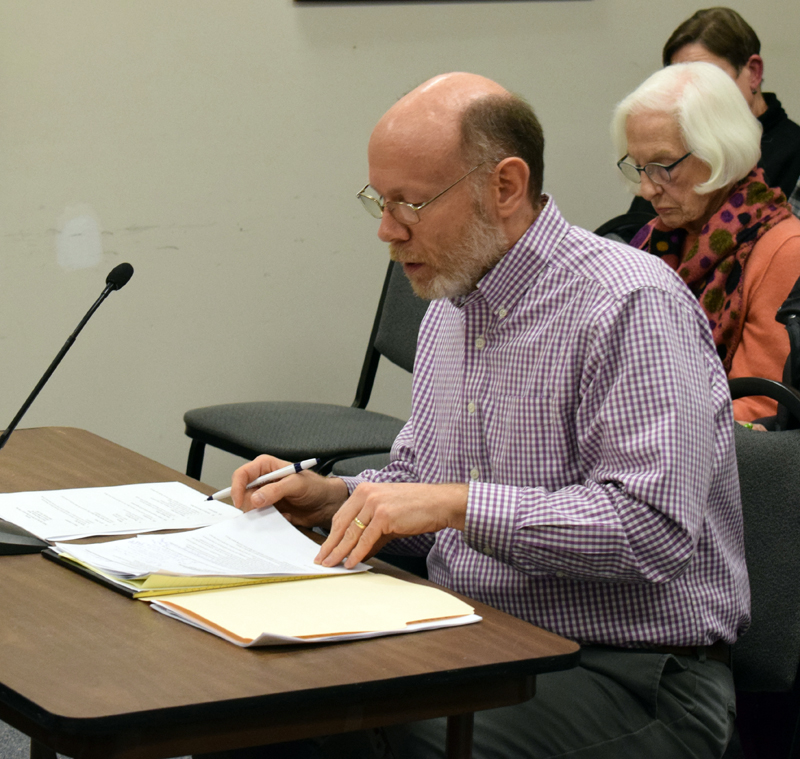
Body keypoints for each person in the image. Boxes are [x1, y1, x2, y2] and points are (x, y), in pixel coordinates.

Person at [224, 73, 749, 758]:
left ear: (504, 186)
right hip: (475, 634)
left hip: (630, 670)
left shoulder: (628, 305)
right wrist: (337, 498)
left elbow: (650, 531)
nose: (387, 230)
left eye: (410, 203)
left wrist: (459, 505)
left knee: (395, 740)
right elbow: (423, 482)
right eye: (379, 203)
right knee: (256, 709)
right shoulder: (453, 300)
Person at [613, 61, 800, 422]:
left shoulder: (785, 250)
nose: (647, 189)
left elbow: (762, 405)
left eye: (663, 166)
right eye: (638, 167)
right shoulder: (654, 239)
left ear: (721, 151)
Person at [624, 7, 800, 226]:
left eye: (706, 79)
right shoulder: (675, 148)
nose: (688, 96)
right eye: (677, 81)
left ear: (754, 73)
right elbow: (632, 231)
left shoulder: (794, 153)